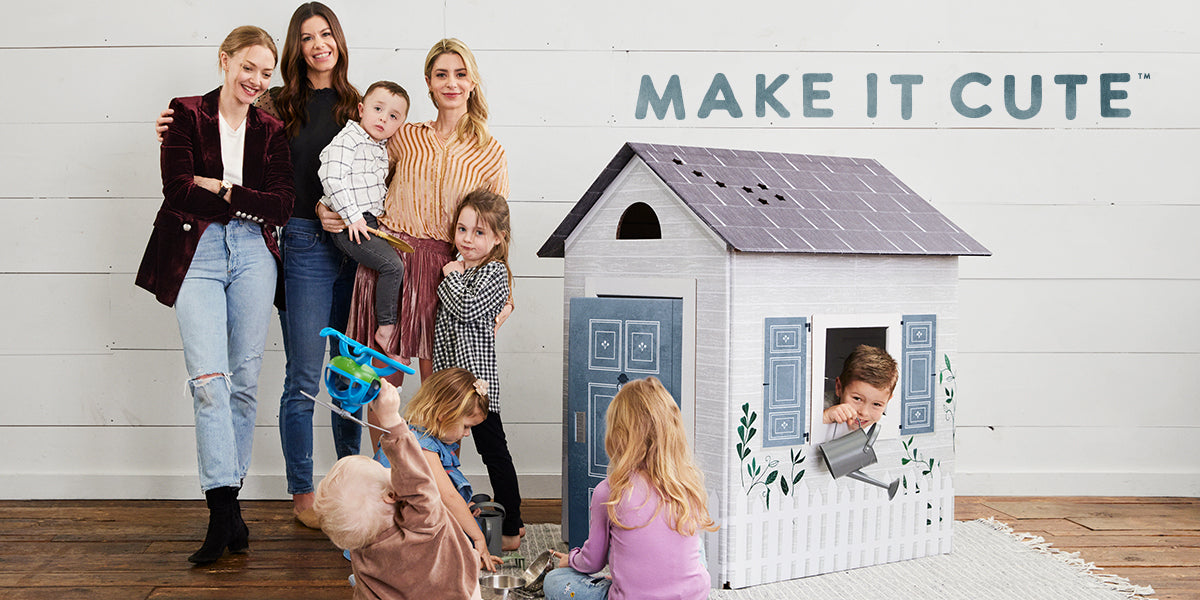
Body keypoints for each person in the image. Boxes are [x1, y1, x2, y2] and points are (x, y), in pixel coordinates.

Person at [160, 2, 365, 528]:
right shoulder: (275, 102)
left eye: (326, 34)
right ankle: (302, 493)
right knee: (303, 375)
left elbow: (382, 168)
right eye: (307, 37)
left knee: (352, 373)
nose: (318, 45)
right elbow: (222, 132)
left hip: (355, 247)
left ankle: (353, 488)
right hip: (300, 240)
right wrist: (173, 129)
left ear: (339, 40)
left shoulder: (360, 104)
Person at [136, 25, 293, 565]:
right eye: (248, 67)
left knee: (243, 382)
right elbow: (178, 190)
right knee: (209, 382)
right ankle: (222, 510)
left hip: (254, 254)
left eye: (265, 73)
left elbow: (281, 206)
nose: (256, 80)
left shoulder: (272, 129)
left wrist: (221, 188)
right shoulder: (185, 113)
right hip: (196, 252)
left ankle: (231, 507)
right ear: (224, 60)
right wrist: (243, 199)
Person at [544, 377, 717, 600]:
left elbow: (592, 561)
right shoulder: (687, 483)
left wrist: (571, 558)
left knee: (555, 580)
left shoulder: (610, 491)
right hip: (692, 596)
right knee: (695, 544)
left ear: (618, 436)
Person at [313, 378, 483, 599]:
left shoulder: (361, 549)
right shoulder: (423, 520)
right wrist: (391, 421)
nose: (388, 467)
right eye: (383, 469)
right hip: (458, 592)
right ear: (391, 495)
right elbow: (416, 481)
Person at [433, 190, 522, 550]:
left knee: (494, 453)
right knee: (443, 451)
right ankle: (450, 519)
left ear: (498, 238)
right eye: (462, 229)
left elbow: (466, 309)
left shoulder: (494, 273)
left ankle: (511, 529)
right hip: (450, 384)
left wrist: (450, 278)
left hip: (476, 387)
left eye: (479, 232)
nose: (467, 239)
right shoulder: (459, 268)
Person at [319, 80, 410, 355]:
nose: (383, 118)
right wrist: (352, 217)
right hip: (351, 225)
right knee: (392, 266)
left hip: (369, 222)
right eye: (378, 109)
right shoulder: (348, 140)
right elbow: (331, 178)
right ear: (361, 109)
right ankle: (386, 327)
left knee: (398, 265)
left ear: (400, 125)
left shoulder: (379, 147)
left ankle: (371, 336)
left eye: (393, 116)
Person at [397, 367, 504, 572]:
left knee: (466, 525)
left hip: (416, 517)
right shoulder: (421, 445)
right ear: (444, 415)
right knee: (466, 536)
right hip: (399, 530)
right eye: (466, 426)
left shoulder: (429, 439)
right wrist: (479, 538)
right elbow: (447, 496)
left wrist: (465, 506)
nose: (467, 434)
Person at [821, 344, 899, 439]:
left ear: (888, 400)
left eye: (876, 404)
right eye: (857, 399)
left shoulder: (887, 425)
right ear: (839, 388)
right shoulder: (821, 405)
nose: (864, 412)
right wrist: (825, 417)